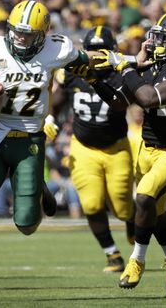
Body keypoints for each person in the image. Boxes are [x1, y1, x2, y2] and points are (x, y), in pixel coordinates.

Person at [0, 0, 99, 302]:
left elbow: (87, 59)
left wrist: (124, 60)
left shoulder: (57, 48)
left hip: (29, 138)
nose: (19, 38)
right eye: (16, 31)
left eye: (27, 33)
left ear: (42, 34)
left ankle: (37, 189)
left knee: (26, 225)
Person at [91, 11, 166, 293]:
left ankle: (137, 260)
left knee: (143, 197)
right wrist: (95, 81)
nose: (155, 42)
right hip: (148, 147)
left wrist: (127, 65)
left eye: (164, 39)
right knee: (154, 210)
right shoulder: (152, 64)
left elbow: (149, 98)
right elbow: (121, 103)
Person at [54, 26, 135, 272]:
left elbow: (127, 103)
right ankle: (112, 254)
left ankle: (132, 222)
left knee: (122, 207)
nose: (97, 55)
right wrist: (48, 119)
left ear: (112, 52)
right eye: (92, 51)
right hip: (83, 147)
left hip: (116, 147)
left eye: (102, 51)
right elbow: (54, 101)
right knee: (90, 204)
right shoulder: (70, 73)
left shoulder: (121, 74)